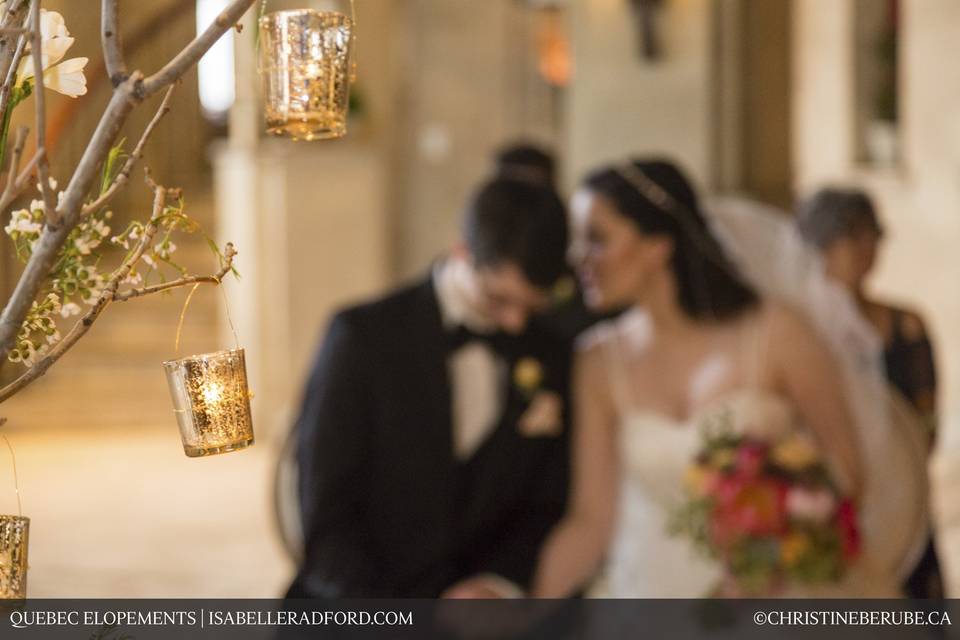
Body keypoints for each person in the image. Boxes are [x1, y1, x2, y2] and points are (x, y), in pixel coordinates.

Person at [530, 159, 919, 598]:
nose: (578, 258)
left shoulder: (776, 332)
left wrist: (777, 540)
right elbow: (591, 522)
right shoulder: (598, 361)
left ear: (657, 247)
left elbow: (847, 471)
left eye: (596, 239)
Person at [286, 146, 573, 598]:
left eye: (530, 305)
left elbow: (546, 501)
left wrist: (498, 584)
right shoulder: (362, 338)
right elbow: (325, 515)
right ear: (461, 251)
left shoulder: (552, 350)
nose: (516, 322)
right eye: (499, 299)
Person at [796, 187, 942, 599]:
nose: (865, 249)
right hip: (826, 504)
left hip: (898, 497)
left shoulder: (907, 324)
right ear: (821, 246)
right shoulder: (799, 334)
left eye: (871, 236)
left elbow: (923, 423)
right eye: (850, 237)